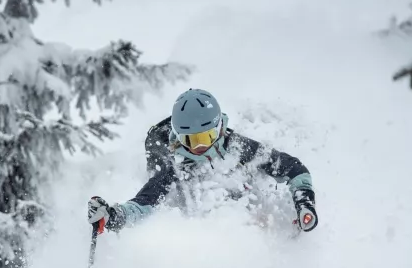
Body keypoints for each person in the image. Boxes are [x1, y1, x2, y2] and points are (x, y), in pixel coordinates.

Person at [87, 88, 318, 233]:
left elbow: (294, 169)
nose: (199, 147)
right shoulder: (172, 165)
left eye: (207, 137)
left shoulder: (236, 146)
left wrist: (305, 204)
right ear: (177, 137)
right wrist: (114, 216)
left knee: (248, 208)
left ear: (220, 128)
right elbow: (145, 202)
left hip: (236, 207)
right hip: (193, 210)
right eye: (191, 140)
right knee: (199, 212)